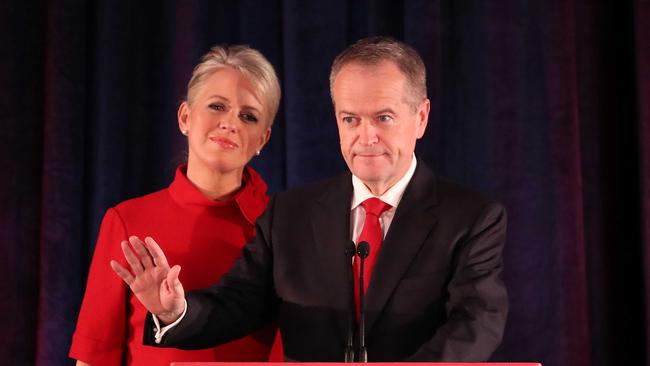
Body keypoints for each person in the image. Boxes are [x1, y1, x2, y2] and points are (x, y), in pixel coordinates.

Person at [112, 36, 508, 362]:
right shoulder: (290, 215)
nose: (365, 137)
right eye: (350, 119)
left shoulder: (471, 218)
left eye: (383, 118)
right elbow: (237, 304)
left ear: (420, 117)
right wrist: (172, 311)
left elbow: (476, 322)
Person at [69, 45, 282, 365]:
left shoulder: (284, 226)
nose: (230, 123)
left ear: (262, 140)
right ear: (185, 117)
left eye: (248, 116)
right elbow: (95, 355)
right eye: (217, 106)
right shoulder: (127, 220)